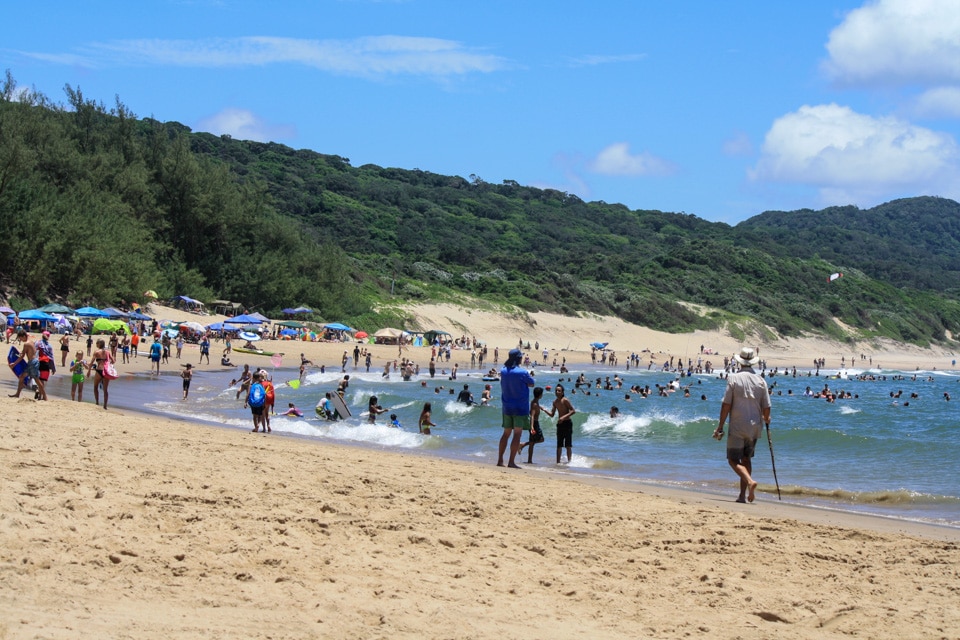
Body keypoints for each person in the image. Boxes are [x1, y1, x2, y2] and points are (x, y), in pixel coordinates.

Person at [713, 346, 771, 504]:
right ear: (752, 362)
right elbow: (767, 408)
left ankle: (751, 482)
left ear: (740, 362)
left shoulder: (733, 379)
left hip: (738, 425)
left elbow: (726, 404)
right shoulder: (761, 381)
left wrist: (720, 426)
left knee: (733, 460)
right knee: (747, 459)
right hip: (754, 427)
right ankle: (742, 495)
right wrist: (767, 418)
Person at [498, 348, 535, 468]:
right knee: (517, 434)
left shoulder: (503, 371)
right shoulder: (522, 372)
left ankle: (500, 460)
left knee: (506, 434)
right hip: (520, 407)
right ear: (519, 358)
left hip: (506, 406)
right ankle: (511, 462)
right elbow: (532, 383)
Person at [543, 383, 576, 463]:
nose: (557, 392)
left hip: (567, 423)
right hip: (560, 425)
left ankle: (569, 462)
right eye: (556, 390)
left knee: (568, 445)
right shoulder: (555, 402)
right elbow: (552, 414)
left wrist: (563, 417)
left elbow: (573, 411)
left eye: (559, 391)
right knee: (559, 445)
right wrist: (544, 410)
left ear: (562, 392)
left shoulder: (565, 400)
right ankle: (558, 462)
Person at [8, 329, 40, 399]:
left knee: (35, 379)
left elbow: (22, 356)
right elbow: (26, 352)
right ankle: (18, 393)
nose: (21, 340)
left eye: (20, 338)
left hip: (32, 363)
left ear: (23, 336)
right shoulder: (31, 341)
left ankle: (42, 394)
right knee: (23, 377)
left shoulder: (26, 344)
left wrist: (14, 364)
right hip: (34, 362)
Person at [518, 386, 545, 464]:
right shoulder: (534, 404)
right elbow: (532, 415)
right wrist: (532, 426)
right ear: (540, 395)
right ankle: (522, 445)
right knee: (540, 439)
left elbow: (535, 407)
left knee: (532, 442)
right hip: (534, 424)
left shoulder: (535, 402)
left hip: (535, 423)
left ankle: (529, 460)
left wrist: (540, 408)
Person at [88, 338, 113, 409]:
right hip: (106, 371)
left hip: (99, 370)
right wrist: (108, 363)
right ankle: (105, 405)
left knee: (95, 387)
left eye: (97, 343)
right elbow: (113, 360)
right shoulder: (108, 352)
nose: (96, 344)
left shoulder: (96, 352)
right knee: (105, 390)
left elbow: (92, 362)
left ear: (100, 344)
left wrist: (89, 370)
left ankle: (97, 402)